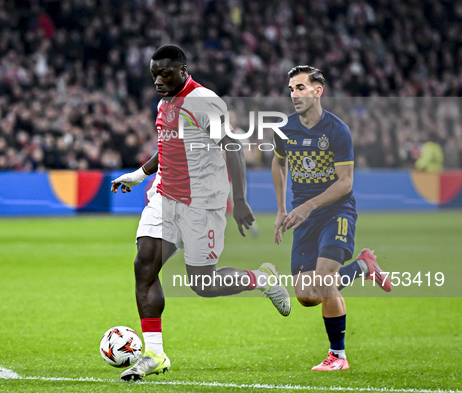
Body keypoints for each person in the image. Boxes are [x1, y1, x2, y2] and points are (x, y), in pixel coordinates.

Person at [111, 45, 291, 381]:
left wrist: (239, 200)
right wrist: (137, 176)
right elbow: (166, 149)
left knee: (203, 284)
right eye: (154, 75)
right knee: (144, 264)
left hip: (202, 203)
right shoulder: (165, 104)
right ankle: (155, 354)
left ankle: (261, 279)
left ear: (183, 69)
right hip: (164, 197)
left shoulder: (205, 101)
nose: (158, 81)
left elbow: (233, 147)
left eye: (164, 74)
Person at [272, 65, 392, 371]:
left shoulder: (337, 130)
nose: (294, 95)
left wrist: (308, 206)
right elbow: (278, 164)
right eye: (291, 89)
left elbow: (345, 183)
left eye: (300, 88)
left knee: (325, 281)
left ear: (317, 91)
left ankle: (338, 356)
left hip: (335, 211)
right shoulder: (284, 129)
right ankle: (364, 265)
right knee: (307, 296)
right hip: (302, 216)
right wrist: (282, 209)